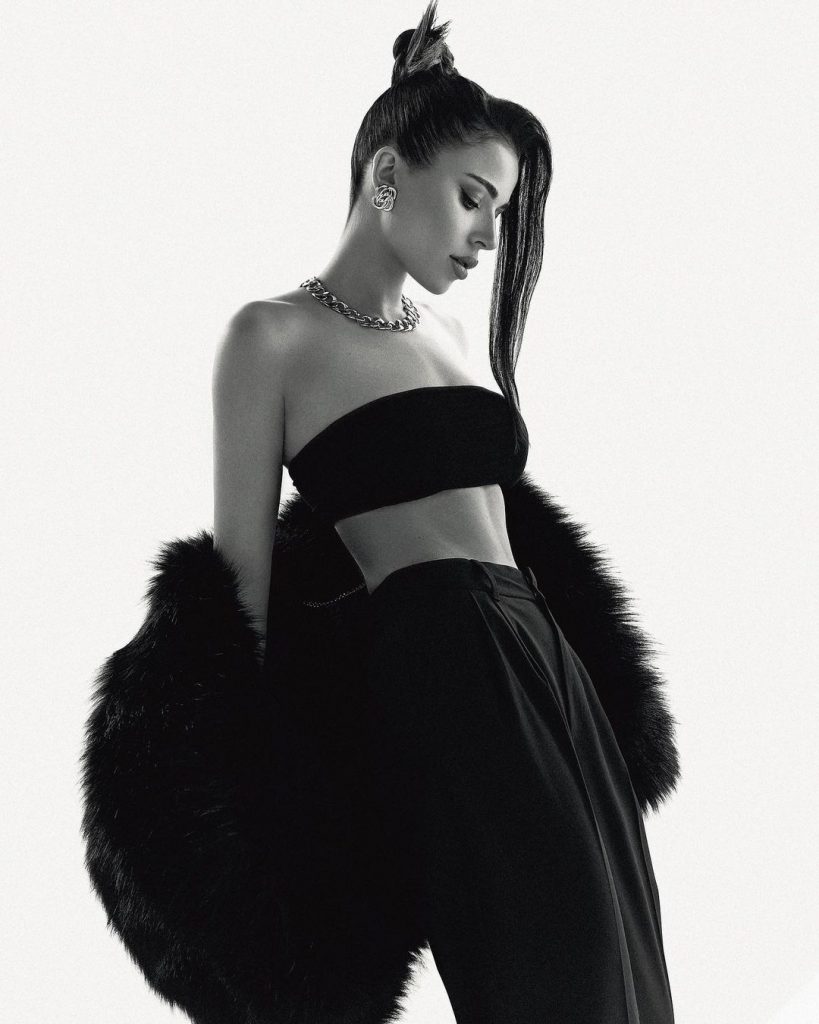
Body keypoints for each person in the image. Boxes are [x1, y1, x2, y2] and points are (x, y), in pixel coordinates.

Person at [81, 3, 679, 1022]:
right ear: (387, 174)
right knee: (550, 969)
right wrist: (262, 809)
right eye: (472, 198)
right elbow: (241, 593)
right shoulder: (269, 338)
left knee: (626, 959)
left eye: (501, 211)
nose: (488, 235)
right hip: (443, 671)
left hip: (549, 662)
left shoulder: (445, 333)